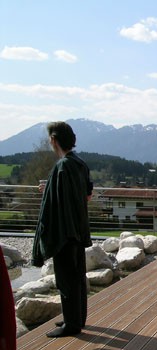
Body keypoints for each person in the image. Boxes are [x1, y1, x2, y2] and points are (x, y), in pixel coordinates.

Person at [32, 121, 93, 338]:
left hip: (64, 231)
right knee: (77, 275)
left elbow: (59, 203)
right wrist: (49, 187)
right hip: (78, 227)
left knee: (66, 278)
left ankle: (71, 324)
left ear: (54, 140)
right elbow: (87, 195)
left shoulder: (63, 166)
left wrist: (49, 189)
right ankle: (77, 317)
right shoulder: (79, 163)